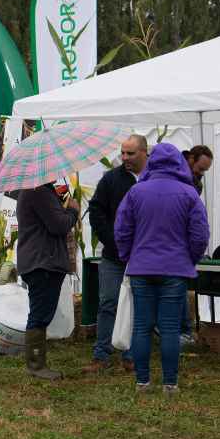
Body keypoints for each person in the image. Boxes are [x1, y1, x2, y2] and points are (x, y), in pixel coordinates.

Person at [114, 143, 209, 395]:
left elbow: (122, 230)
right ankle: (170, 383)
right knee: (170, 328)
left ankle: (142, 382)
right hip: (175, 269)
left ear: (152, 161)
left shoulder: (136, 192)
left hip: (141, 268)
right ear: (178, 162)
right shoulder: (189, 194)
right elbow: (200, 235)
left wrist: (128, 256)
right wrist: (189, 258)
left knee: (141, 327)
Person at [84, 134, 148, 373]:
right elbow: (96, 212)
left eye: (130, 153)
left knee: (137, 306)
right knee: (108, 302)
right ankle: (101, 354)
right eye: (122, 152)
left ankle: (130, 355)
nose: (124, 157)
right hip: (113, 256)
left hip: (143, 257)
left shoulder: (153, 180)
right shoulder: (110, 179)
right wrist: (112, 240)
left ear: (144, 153)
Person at [17, 182, 79, 380]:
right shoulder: (39, 191)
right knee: (40, 315)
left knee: (41, 313)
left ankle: (37, 363)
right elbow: (58, 225)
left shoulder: (37, 190)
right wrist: (72, 211)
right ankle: (36, 365)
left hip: (39, 259)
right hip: (43, 261)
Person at [179, 145, 214, 343]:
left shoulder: (195, 183)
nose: (201, 175)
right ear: (190, 158)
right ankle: (184, 330)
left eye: (204, 171)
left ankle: (184, 329)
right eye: (200, 169)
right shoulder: (179, 177)